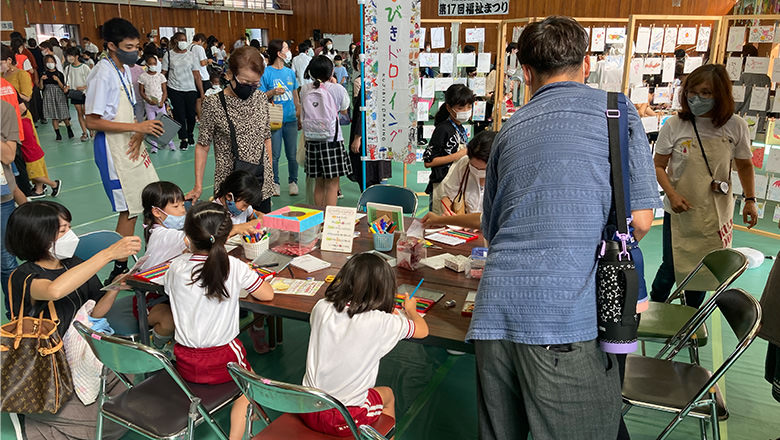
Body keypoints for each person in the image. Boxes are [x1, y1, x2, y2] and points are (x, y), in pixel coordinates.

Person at [470, 17, 659, 440]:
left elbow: (492, 232)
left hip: (494, 313)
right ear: (586, 63)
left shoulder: (508, 130)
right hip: (565, 317)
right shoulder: (616, 109)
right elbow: (642, 221)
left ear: (526, 73)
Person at [6, 200, 141, 440]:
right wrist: (109, 253)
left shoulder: (75, 263)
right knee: (100, 425)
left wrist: (115, 288)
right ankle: (29, 415)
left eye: (69, 227)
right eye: (61, 231)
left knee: (129, 398)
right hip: (47, 367)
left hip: (83, 356)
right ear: (36, 236)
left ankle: (54, 420)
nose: (70, 235)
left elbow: (93, 313)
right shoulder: (23, 276)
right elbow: (54, 291)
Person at [163, 202, 274, 440]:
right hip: (223, 358)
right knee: (250, 385)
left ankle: (251, 412)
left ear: (188, 238)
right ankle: (236, 433)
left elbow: (172, 290)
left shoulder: (175, 267)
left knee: (247, 371)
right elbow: (267, 294)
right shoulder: (233, 266)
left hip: (184, 361)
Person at [650, 64, 757, 308]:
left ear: (720, 95)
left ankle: (690, 317)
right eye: (692, 91)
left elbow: (745, 166)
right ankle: (652, 309)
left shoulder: (735, 125)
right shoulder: (675, 125)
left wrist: (750, 200)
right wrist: (672, 194)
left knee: (703, 270)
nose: (697, 98)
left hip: (716, 210)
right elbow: (658, 166)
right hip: (679, 209)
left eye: (706, 93)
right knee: (671, 264)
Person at [301, 252, 428, 435]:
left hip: (307, 407)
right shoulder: (382, 322)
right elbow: (422, 330)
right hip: (346, 417)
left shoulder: (321, 306)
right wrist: (411, 311)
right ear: (385, 288)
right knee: (388, 395)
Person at [85, 17, 163, 284]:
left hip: (130, 143)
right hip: (112, 149)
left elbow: (128, 109)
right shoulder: (102, 72)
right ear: (111, 46)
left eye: (137, 46)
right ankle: (119, 268)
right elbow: (92, 120)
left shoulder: (124, 70)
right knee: (129, 208)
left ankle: (154, 255)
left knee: (151, 199)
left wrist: (139, 133)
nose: (135, 51)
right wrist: (137, 127)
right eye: (128, 46)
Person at [186, 46, 274, 213]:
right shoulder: (213, 103)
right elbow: (203, 146)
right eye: (245, 82)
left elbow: (266, 138)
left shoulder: (261, 98)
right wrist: (198, 185)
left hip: (259, 183)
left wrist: (269, 175)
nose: (250, 87)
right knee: (230, 234)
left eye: (255, 83)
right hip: (229, 187)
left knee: (261, 233)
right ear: (229, 74)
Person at [137, 181, 185, 352]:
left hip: (170, 292)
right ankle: (158, 346)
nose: (183, 210)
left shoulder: (169, 231)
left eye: (182, 205)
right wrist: (238, 228)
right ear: (157, 212)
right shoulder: (162, 234)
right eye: (176, 206)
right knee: (169, 321)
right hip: (149, 298)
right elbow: (197, 239)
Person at [300, 55, 351, 206]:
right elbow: (344, 110)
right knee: (332, 185)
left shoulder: (304, 89)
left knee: (319, 184)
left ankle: (318, 219)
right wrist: (334, 84)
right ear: (331, 71)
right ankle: (328, 221)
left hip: (311, 140)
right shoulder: (337, 89)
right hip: (332, 141)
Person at [423, 84, 475, 214]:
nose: (466, 110)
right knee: (440, 222)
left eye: (469, 106)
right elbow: (429, 162)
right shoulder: (443, 129)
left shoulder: (460, 128)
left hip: (455, 184)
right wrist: (460, 154)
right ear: (449, 108)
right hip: (442, 185)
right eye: (460, 107)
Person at [260, 39, 300, 197]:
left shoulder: (290, 72)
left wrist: (299, 114)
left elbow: (295, 96)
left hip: (290, 119)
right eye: (286, 48)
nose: (288, 50)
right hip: (274, 120)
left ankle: (293, 181)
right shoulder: (266, 73)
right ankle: (274, 182)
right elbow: (260, 96)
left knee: (292, 154)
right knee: (274, 154)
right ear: (278, 53)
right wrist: (272, 93)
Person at [348, 47, 391, 191]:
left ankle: (370, 204)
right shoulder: (383, 80)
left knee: (368, 172)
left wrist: (358, 137)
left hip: (369, 134)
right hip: (381, 132)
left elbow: (363, 110)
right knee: (378, 171)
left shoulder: (368, 83)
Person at [162, 31, 203, 151]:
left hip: (190, 89)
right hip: (174, 89)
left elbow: (197, 75)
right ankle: (183, 139)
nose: (184, 42)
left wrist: (201, 92)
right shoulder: (168, 55)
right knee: (179, 115)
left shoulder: (191, 55)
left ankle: (190, 134)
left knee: (191, 115)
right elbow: (163, 73)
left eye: (185, 40)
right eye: (181, 40)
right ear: (176, 41)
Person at [439, 130, 495, 215]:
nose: (477, 171)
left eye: (483, 169)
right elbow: (447, 197)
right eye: (473, 166)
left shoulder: (504, 172)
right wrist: (449, 213)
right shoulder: (464, 164)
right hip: (464, 225)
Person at [1, 100, 20, 297]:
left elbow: (8, 156)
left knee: (6, 262)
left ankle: (15, 316)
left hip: (1, 200)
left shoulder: (4, 110)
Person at [138, 53, 175, 153]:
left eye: (155, 63)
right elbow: (141, 91)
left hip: (160, 105)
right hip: (149, 105)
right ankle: (154, 146)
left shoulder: (161, 76)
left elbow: (164, 91)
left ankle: (171, 143)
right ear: (147, 65)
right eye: (151, 64)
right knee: (152, 125)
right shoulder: (143, 77)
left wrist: (162, 101)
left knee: (164, 124)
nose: (153, 65)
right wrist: (147, 100)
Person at [40, 54, 74, 140]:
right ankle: (58, 134)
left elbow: (63, 87)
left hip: (58, 94)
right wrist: (41, 80)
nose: (50, 63)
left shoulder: (59, 74)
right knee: (53, 115)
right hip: (48, 94)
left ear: (55, 63)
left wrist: (58, 80)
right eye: (48, 62)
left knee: (64, 113)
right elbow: (41, 87)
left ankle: (69, 129)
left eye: (51, 62)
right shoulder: (44, 74)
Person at [64, 47, 91, 141]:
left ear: (76, 56)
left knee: (86, 112)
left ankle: (91, 130)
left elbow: (91, 81)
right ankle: (84, 133)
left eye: (71, 55)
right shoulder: (68, 68)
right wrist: (67, 87)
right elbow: (67, 81)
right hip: (75, 93)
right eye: (68, 56)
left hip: (86, 93)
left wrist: (84, 87)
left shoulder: (85, 67)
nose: (69, 58)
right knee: (79, 113)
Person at [191, 33, 212, 118]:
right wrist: (209, 61)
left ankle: (199, 117)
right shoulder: (199, 48)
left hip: (192, 76)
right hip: (203, 76)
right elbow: (202, 63)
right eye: (203, 42)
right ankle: (207, 118)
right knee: (207, 97)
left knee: (197, 99)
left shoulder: (188, 48)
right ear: (200, 40)